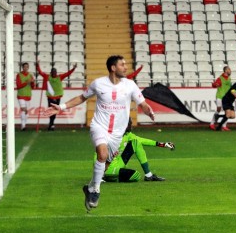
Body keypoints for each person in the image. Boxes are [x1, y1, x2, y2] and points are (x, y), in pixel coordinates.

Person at [45, 55, 155, 211]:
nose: (125, 67)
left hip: (117, 132)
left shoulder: (130, 85)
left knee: (106, 164)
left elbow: (142, 103)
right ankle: (96, 190)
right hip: (99, 126)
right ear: (113, 68)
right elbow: (82, 97)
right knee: (101, 155)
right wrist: (61, 107)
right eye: (122, 64)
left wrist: (147, 110)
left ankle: (89, 187)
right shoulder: (99, 84)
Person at [101, 118, 174, 182]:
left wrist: (162, 144)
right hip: (109, 169)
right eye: (129, 123)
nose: (131, 125)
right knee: (136, 175)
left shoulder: (128, 135)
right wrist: (99, 175)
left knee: (136, 142)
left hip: (119, 163)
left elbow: (142, 140)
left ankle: (149, 175)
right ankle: (107, 177)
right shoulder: (111, 137)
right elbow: (98, 153)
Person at [37, 61, 77, 131]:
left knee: (55, 111)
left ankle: (51, 124)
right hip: (50, 97)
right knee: (51, 110)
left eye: (55, 72)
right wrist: (37, 65)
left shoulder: (60, 77)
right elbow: (40, 72)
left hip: (57, 97)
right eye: (53, 72)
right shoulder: (47, 77)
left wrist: (73, 68)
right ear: (51, 72)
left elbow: (68, 73)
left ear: (56, 72)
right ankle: (51, 124)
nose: (54, 73)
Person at [210, 66, 232, 131]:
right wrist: (215, 84)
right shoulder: (220, 78)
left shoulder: (229, 78)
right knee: (219, 109)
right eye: (229, 69)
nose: (230, 70)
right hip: (220, 96)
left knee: (227, 111)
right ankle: (212, 123)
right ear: (225, 71)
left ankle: (224, 125)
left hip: (227, 97)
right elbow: (214, 85)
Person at [16, 62, 35, 131]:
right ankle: (23, 126)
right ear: (22, 67)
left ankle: (23, 125)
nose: (26, 68)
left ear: (28, 67)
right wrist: (27, 82)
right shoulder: (19, 75)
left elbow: (33, 87)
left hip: (28, 95)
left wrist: (32, 82)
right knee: (24, 109)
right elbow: (18, 86)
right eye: (24, 67)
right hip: (21, 95)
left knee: (25, 112)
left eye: (27, 67)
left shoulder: (30, 75)